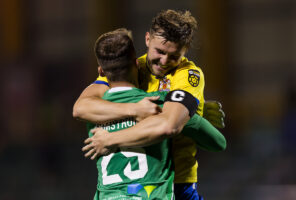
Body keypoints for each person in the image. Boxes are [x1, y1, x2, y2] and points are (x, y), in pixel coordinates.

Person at [73, 10, 225, 199]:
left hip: (176, 184)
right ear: (147, 39)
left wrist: (110, 139)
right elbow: (81, 107)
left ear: (184, 52)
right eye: (160, 52)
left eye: (173, 56)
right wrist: (135, 109)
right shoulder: (130, 67)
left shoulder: (187, 75)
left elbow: (169, 125)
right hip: (136, 184)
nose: (164, 62)